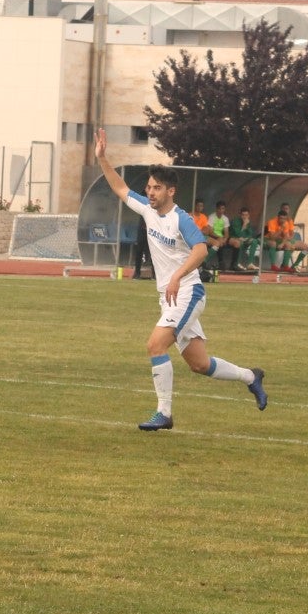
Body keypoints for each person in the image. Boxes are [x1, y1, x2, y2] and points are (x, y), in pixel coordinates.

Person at [94, 129, 266, 431]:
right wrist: (102, 159)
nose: (150, 192)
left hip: (188, 292)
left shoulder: (181, 219)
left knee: (155, 345)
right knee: (200, 364)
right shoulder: (148, 211)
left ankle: (164, 413)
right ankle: (252, 377)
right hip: (170, 296)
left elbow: (201, 250)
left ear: (170, 191)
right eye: (148, 187)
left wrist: (176, 276)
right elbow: (121, 189)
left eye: (156, 188)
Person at [264, 202, 308, 272]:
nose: (285, 210)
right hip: (277, 240)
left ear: (289, 210)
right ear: (280, 210)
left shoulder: (289, 221)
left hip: (288, 239)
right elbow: (272, 237)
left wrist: (289, 239)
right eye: (283, 209)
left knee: (307, 247)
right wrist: (284, 237)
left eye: (287, 209)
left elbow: (290, 234)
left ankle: (295, 265)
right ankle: (284, 266)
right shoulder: (273, 221)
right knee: (288, 245)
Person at [227, 206, 260, 272]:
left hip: (244, 239)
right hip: (234, 238)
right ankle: (237, 263)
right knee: (239, 242)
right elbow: (238, 234)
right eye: (243, 215)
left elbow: (250, 234)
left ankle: (250, 263)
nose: (245, 217)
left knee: (254, 241)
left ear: (249, 215)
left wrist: (247, 238)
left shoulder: (248, 222)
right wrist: (244, 225)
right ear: (240, 215)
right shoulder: (235, 221)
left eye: (246, 215)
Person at [205, 200, 231, 272]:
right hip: (212, 236)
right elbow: (210, 231)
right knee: (218, 242)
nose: (221, 210)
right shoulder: (212, 217)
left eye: (223, 209)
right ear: (216, 209)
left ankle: (223, 263)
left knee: (231, 243)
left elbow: (226, 232)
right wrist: (219, 237)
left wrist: (225, 239)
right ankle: (205, 261)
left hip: (221, 238)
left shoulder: (225, 218)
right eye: (219, 209)